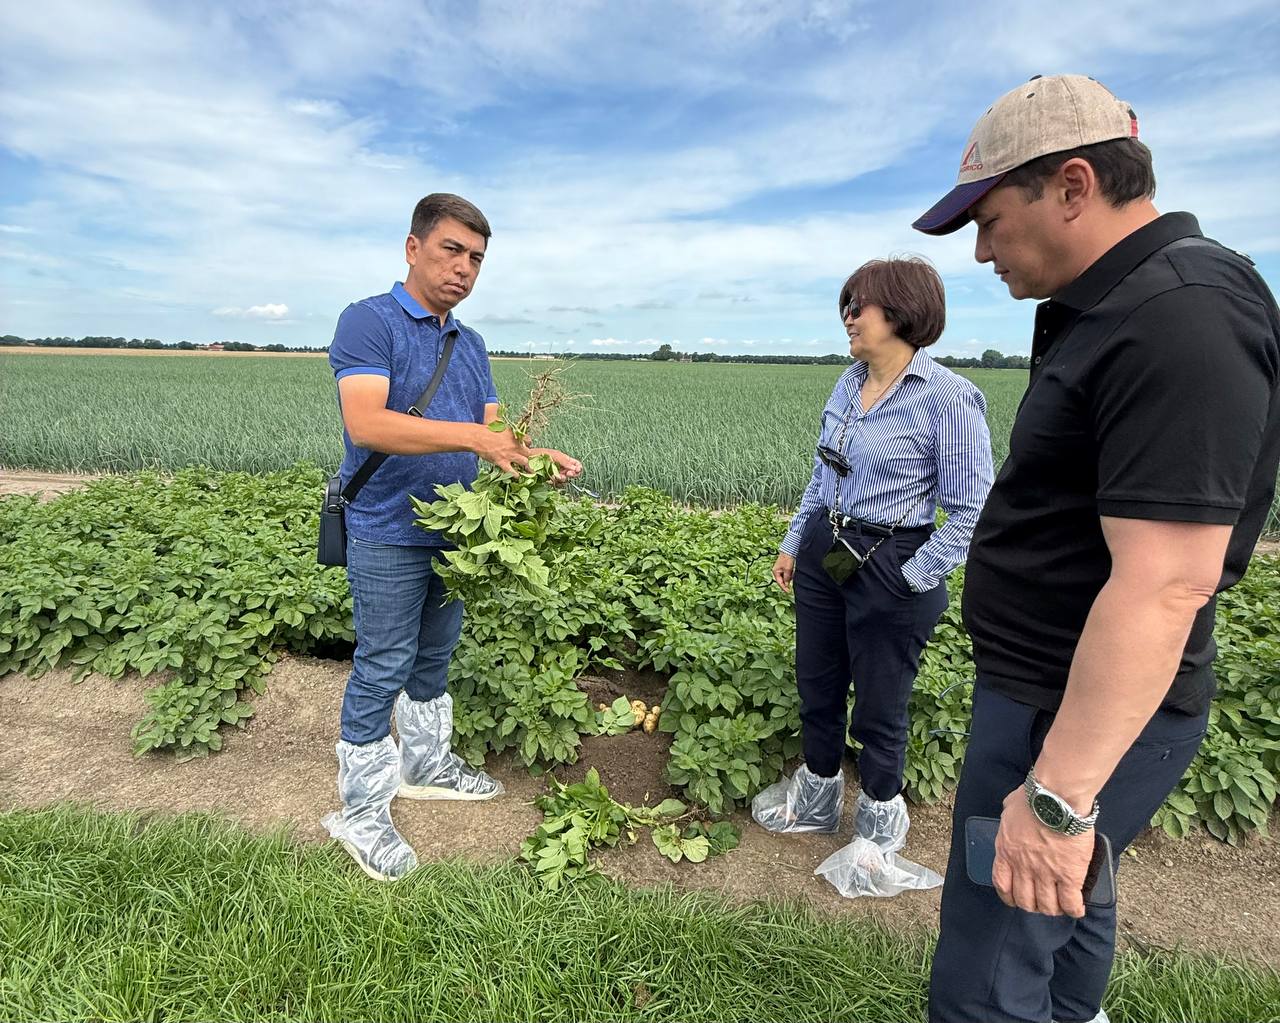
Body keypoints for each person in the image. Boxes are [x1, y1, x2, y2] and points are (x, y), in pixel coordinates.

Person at [912, 74, 1280, 1023]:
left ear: (1073, 185)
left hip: (1069, 713)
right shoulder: (1118, 304)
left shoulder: (1182, 315)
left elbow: (1167, 582)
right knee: (1062, 907)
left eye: (989, 220)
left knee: (986, 971)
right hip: (1058, 695)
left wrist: (1057, 798)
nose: (982, 251)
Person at [322, 193, 582, 881]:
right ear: (413, 248)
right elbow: (367, 424)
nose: (464, 267)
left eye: (477, 258)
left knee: (434, 655)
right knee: (383, 661)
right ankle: (361, 810)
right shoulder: (369, 321)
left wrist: (534, 458)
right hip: (386, 528)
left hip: (457, 530)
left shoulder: (471, 345)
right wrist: (473, 436)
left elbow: (495, 435)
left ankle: (427, 765)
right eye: (451, 250)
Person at [757, 255, 993, 861]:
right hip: (826, 552)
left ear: (902, 312)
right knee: (817, 683)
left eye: (858, 306)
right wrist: (794, 543)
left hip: (892, 558)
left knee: (881, 707)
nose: (848, 317)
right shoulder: (847, 382)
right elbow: (822, 475)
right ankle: (816, 801)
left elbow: (971, 509)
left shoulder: (949, 398)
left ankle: (876, 836)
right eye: (847, 305)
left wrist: (910, 577)